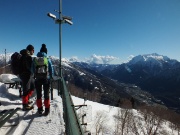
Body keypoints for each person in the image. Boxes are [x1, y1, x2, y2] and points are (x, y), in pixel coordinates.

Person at [33, 44, 54, 116]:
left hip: (37, 79)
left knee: (38, 95)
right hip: (46, 79)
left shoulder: (35, 59)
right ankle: (47, 110)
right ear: (46, 52)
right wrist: (51, 76)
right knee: (46, 95)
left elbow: (32, 69)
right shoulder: (47, 59)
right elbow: (51, 69)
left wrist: (35, 75)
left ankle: (39, 109)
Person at [19, 44, 35, 111]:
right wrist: (34, 71)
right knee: (26, 90)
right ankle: (25, 105)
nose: (33, 52)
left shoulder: (23, 56)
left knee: (31, 87)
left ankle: (27, 100)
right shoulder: (27, 57)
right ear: (31, 50)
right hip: (26, 75)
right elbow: (29, 67)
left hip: (25, 75)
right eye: (33, 50)